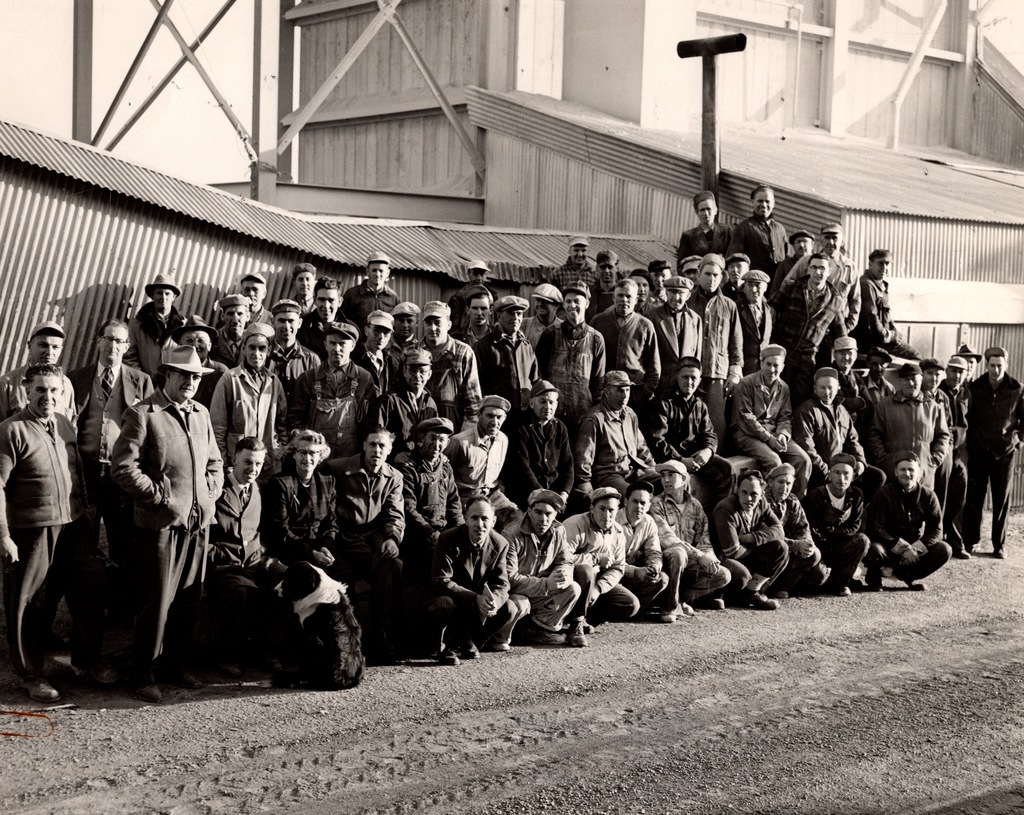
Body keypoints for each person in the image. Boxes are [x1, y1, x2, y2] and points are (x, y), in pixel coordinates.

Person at [111, 346, 224, 704]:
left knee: (189, 600)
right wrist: (160, 498)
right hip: (159, 527)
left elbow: (216, 462)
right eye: (184, 375)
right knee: (156, 602)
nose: (191, 382)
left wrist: (209, 493)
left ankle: (174, 664)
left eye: (196, 376)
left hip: (197, 524)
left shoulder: (201, 413)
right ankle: (142, 672)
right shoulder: (144, 413)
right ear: (167, 375)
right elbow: (123, 469)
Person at [0, 363, 113, 703]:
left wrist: (87, 513)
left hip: (73, 522)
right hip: (32, 528)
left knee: (92, 586)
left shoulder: (63, 423)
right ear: (26, 390)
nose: (48, 397)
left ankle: (87, 660)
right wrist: (4, 535)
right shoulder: (10, 431)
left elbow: (76, 470)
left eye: (54, 390)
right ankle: (31, 674)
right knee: (28, 601)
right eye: (40, 390)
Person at [68, 319, 154, 620]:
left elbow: (147, 430)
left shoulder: (141, 380)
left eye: (120, 341)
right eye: (108, 339)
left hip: (120, 473)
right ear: (98, 341)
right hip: (86, 471)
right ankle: (85, 608)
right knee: (83, 540)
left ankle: (118, 607)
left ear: (127, 346)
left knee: (122, 539)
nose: (113, 346)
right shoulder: (76, 378)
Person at [325, 428, 406, 662]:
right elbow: (327, 509)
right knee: (380, 567)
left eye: (382, 446)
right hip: (343, 534)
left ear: (389, 450)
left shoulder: (393, 476)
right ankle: (367, 636)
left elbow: (394, 512)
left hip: (373, 534)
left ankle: (384, 633)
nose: (377, 450)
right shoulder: (339, 468)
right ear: (364, 445)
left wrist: (393, 537)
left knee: (393, 563)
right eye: (373, 445)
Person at [205, 437, 283, 678]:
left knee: (288, 579)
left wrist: (265, 557)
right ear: (234, 460)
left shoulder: (256, 489)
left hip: (254, 561)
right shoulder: (216, 490)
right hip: (223, 566)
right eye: (247, 462)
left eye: (258, 464)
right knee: (245, 592)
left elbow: (256, 532)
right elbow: (201, 536)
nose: (253, 469)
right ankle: (228, 653)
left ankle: (266, 647)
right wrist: (219, 554)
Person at [427, 498, 523, 663]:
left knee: (509, 608)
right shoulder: (448, 538)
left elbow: (502, 583)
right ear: (465, 518)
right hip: (453, 598)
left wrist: (495, 601)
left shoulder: (500, 543)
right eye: (474, 518)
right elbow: (441, 580)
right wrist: (475, 598)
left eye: (485, 519)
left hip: (477, 606)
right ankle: (445, 645)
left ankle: (468, 641)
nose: (480, 524)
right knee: (444, 604)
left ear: (493, 521)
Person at [394, 417, 462, 629]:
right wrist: (429, 532)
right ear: (421, 439)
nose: (437, 444)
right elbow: (408, 508)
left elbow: (453, 502)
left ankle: (461, 628)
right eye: (432, 438)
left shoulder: (445, 467)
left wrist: (460, 530)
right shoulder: (408, 466)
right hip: (417, 535)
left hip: (441, 533)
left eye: (442, 440)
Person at [646, 357, 734, 514]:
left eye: (693, 378)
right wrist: (681, 461)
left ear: (699, 380)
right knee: (680, 480)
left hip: (695, 458)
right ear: (677, 377)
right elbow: (657, 440)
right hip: (671, 459)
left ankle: (719, 516)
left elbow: (709, 434)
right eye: (685, 377)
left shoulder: (699, 404)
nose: (689, 382)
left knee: (727, 469)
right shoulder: (664, 403)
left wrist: (707, 451)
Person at [963, 346, 1024, 559]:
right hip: (979, 452)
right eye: (992, 365)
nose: (996, 370)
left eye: (1000, 365)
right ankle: (972, 541)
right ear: (986, 365)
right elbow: (968, 418)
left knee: (1002, 500)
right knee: (975, 498)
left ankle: (999, 545)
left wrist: (1017, 441)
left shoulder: (1017, 389)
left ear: (1005, 365)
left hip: (1004, 454)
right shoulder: (975, 388)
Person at [561, 487, 640, 647]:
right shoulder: (574, 525)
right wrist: (595, 558)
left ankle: (586, 619)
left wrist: (598, 588)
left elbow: (618, 567)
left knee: (631, 604)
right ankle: (575, 625)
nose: (607, 515)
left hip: (595, 582)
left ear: (617, 510)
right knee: (585, 570)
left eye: (611, 510)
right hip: (569, 581)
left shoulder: (618, 532)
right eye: (602, 509)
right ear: (592, 508)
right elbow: (561, 559)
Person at [792, 366, 885, 501]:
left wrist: (859, 462)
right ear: (815, 388)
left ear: (837, 388)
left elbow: (853, 440)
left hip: (844, 467)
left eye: (830, 388)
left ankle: (853, 511)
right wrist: (827, 472)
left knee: (877, 477)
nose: (827, 392)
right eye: (822, 388)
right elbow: (807, 449)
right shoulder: (807, 411)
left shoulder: (842, 410)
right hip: (822, 471)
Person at [731, 345, 812, 498]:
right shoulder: (746, 384)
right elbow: (745, 417)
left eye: (776, 365)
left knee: (803, 460)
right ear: (761, 363)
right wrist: (768, 438)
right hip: (747, 434)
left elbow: (785, 416)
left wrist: (782, 434)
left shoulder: (783, 387)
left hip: (773, 433)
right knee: (774, 462)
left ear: (782, 367)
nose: (772, 369)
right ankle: (767, 506)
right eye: (768, 364)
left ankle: (792, 505)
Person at [502, 490, 581, 647]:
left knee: (573, 588)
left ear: (555, 516)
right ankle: (504, 636)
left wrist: (564, 573)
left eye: (549, 514)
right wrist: (546, 584)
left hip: (539, 590)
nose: (543, 519)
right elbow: (509, 578)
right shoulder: (511, 534)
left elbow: (565, 560)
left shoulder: (559, 530)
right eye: (538, 512)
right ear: (529, 512)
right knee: (520, 603)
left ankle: (534, 631)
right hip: (515, 592)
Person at [650, 461, 732, 611]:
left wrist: (709, 558)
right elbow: (667, 540)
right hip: (666, 560)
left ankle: (679, 599)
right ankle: (669, 608)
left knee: (723, 575)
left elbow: (704, 538)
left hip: (690, 560)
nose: (666, 480)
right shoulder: (656, 504)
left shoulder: (695, 505)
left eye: (671, 475)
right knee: (678, 553)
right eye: (663, 476)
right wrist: (699, 555)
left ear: (684, 478)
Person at [769, 252, 848, 407]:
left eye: (822, 268)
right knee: (775, 396)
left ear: (829, 271)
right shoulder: (792, 287)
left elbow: (840, 333)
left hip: (808, 356)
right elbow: (771, 308)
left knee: (801, 399)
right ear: (808, 269)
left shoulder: (835, 299)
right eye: (814, 267)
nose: (818, 272)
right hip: (783, 351)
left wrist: (845, 355)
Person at [866, 451, 952, 590]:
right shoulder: (883, 493)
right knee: (874, 549)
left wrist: (916, 549)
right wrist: (902, 548)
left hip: (914, 551)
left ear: (918, 472)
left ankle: (908, 575)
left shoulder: (928, 496)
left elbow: (936, 530)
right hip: (888, 547)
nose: (907, 473)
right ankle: (874, 578)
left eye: (911, 469)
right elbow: (875, 528)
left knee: (944, 549)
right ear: (895, 472)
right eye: (903, 469)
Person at [210, 323, 287, 477]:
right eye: (252, 347)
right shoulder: (230, 379)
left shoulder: (274, 382)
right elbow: (217, 427)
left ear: (269, 351)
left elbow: (282, 423)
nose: (256, 353)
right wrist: (225, 464)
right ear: (244, 349)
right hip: (237, 465)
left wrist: (279, 452)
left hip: (268, 464)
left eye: (262, 348)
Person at [288, 321, 373, 460]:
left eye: (342, 344)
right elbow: (295, 418)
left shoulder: (364, 379)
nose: (336, 348)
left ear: (352, 346)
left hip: (351, 457)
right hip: (316, 459)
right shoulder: (308, 378)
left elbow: (370, 422)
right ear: (325, 345)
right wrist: (302, 439)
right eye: (332, 343)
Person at [710, 471, 788, 610]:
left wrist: (751, 537)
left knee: (781, 548)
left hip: (744, 551)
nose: (749, 498)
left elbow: (779, 529)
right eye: (744, 492)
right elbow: (733, 552)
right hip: (720, 557)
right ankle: (725, 595)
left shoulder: (761, 503)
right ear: (737, 491)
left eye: (754, 494)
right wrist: (760, 544)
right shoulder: (726, 509)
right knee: (741, 573)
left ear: (762, 494)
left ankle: (751, 593)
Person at [261, 429, 338, 569]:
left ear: (320, 456)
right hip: (290, 550)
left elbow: (331, 523)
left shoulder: (328, 481)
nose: (307, 458)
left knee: (344, 576)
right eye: (302, 452)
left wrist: (326, 546)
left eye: (313, 453)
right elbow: (280, 530)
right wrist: (311, 553)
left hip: (319, 548)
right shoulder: (280, 483)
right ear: (294, 454)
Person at [866, 362, 949, 491]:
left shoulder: (934, 408)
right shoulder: (885, 405)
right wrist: (885, 461)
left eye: (914, 379)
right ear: (900, 381)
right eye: (906, 379)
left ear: (921, 380)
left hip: (924, 474)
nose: (910, 383)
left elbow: (943, 436)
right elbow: (874, 434)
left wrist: (933, 461)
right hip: (893, 473)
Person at [686, 254, 743, 441]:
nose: (711, 279)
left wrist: (734, 372)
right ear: (699, 274)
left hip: (717, 372)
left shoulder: (729, 306)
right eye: (707, 274)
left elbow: (736, 342)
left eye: (716, 275)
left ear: (721, 277)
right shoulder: (688, 302)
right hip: (690, 370)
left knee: (716, 422)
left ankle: (715, 461)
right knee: (689, 419)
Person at [574, 371, 657, 499]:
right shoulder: (594, 420)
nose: (625, 395)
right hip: (608, 476)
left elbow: (641, 447)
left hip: (633, 472)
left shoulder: (630, 414)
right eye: (620, 390)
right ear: (606, 392)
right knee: (634, 496)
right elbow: (583, 459)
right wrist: (584, 482)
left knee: (667, 482)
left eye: (627, 390)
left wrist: (652, 467)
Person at [445, 395, 523, 531]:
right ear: (479, 415)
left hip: (491, 494)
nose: (494, 422)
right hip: (465, 497)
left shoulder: (503, 440)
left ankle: (505, 550)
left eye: (499, 417)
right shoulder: (460, 442)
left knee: (519, 521)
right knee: (474, 529)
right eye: (489, 416)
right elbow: (442, 475)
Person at [535, 282, 606, 428]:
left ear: (586, 304)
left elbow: (598, 382)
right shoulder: (550, 334)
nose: (572, 305)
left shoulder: (596, 339)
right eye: (568, 301)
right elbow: (538, 374)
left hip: (583, 412)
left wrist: (593, 413)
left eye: (577, 301)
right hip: (553, 411)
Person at [802, 453, 871, 596]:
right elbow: (814, 529)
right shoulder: (817, 495)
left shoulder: (856, 495)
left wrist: (832, 531)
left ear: (853, 476)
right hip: (820, 547)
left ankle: (841, 583)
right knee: (817, 578)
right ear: (829, 474)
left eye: (846, 474)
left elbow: (855, 527)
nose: (841, 478)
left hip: (840, 545)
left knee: (862, 540)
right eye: (836, 473)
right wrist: (836, 533)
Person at [776, 223, 860, 333]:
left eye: (835, 238)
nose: (830, 242)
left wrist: (848, 326)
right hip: (807, 328)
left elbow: (855, 300)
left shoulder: (850, 267)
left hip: (835, 328)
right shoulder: (806, 261)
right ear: (821, 240)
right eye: (827, 238)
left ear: (842, 241)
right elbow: (786, 286)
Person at [590, 278, 660, 408]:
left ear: (636, 299)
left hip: (635, 393)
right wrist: (597, 392)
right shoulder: (598, 321)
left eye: (628, 296)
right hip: (606, 393)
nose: (624, 300)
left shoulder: (645, 325)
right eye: (620, 295)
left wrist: (645, 393)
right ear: (613, 298)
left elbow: (654, 366)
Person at [617, 481, 681, 622]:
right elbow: (610, 562)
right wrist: (636, 571)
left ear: (649, 506)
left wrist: (654, 566)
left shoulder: (649, 521)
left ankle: (635, 611)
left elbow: (654, 551)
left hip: (631, 574)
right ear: (626, 502)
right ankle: (620, 610)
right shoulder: (614, 520)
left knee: (662, 578)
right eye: (634, 501)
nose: (639, 506)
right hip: (612, 574)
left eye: (643, 503)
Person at [761, 464, 827, 600]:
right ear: (770, 482)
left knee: (815, 559)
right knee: (780, 548)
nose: (784, 487)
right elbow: (766, 534)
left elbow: (803, 527)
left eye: (788, 483)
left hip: (787, 548)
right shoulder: (762, 501)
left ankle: (781, 586)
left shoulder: (791, 500)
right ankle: (762, 588)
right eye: (780, 482)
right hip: (766, 548)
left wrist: (805, 543)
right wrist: (794, 544)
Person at [505, 380, 573, 507]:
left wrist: (564, 493)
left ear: (556, 404)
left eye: (551, 402)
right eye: (542, 402)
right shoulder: (521, 427)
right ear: (531, 403)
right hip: (528, 491)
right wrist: (544, 496)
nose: (547, 407)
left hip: (555, 491)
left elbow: (567, 464)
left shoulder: (560, 427)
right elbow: (523, 468)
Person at [363, 348, 439, 461]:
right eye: (412, 370)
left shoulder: (430, 404)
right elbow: (373, 437)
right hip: (393, 466)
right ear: (404, 371)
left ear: (429, 374)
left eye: (422, 371)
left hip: (419, 465)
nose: (417, 376)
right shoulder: (389, 400)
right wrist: (393, 456)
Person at [421, 301, 482, 432]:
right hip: (419, 431)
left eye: (438, 323)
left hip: (454, 430)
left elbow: (473, 405)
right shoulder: (413, 352)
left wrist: (464, 437)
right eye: (428, 323)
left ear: (448, 325)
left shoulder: (463, 352)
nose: (432, 328)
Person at [474, 295, 540, 416]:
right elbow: (478, 385)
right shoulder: (484, 346)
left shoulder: (526, 345)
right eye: (511, 313)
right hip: (498, 418)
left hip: (525, 416)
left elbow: (535, 380)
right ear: (499, 316)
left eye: (519, 314)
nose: (516, 318)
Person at [0, 321, 77, 421]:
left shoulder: (66, 384)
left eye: (55, 347)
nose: (49, 352)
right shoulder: (7, 384)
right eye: (43, 345)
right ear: (30, 346)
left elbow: (70, 427)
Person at [852, 249, 921, 360]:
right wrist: (891, 336)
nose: (884, 268)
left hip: (883, 338)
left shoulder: (881, 285)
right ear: (870, 264)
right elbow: (871, 317)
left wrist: (895, 330)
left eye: (887, 264)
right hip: (873, 341)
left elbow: (887, 315)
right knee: (916, 357)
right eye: (880, 263)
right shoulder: (866, 284)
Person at [647, 275, 702, 398]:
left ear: (688, 296)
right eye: (672, 292)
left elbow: (697, 356)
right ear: (666, 293)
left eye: (681, 293)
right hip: (660, 386)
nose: (676, 298)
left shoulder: (695, 319)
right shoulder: (652, 316)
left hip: (685, 387)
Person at [938, 355, 971, 558]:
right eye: (953, 371)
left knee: (960, 494)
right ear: (947, 371)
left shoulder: (967, 393)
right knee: (941, 494)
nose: (957, 375)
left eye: (961, 372)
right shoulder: (939, 391)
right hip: (944, 450)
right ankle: (939, 542)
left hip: (962, 451)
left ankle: (955, 540)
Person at [124, 272, 186, 376]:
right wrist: (143, 380)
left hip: (172, 385)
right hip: (144, 385)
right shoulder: (137, 324)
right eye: (159, 293)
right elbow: (128, 357)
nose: (163, 297)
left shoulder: (183, 324)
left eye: (167, 293)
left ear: (174, 297)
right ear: (152, 295)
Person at [726, 184, 789, 280]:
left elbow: (787, 258)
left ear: (773, 203)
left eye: (767, 201)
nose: (763, 205)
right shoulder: (743, 228)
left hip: (777, 284)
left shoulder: (780, 229)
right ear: (753, 202)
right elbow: (733, 259)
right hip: (755, 283)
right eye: (760, 201)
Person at [267, 299, 319, 402]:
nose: (286, 326)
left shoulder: (311, 359)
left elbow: (316, 397)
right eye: (281, 320)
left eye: (291, 321)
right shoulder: (263, 355)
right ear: (273, 322)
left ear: (299, 323)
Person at [171, 315, 226, 407]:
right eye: (190, 340)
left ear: (209, 346)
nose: (195, 345)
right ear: (180, 344)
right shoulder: (170, 370)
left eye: (201, 340)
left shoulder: (221, 373)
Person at [341, 252, 400, 331]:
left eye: (381, 271)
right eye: (374, 270)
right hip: (358, 342)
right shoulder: (352, 294)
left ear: (387, 273)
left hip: (383, 342)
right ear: (367, 271)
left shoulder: (393, 297)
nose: (377, 274)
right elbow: (342, 321)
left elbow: (398, 325)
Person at [298, 277, 348, 362]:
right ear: (315, 300)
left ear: (340, 302)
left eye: (331, 300)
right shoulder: (302, 326)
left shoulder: (350, 329)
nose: (326, 305)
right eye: (321, 299)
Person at [677, 190, 732, 262]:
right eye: (702, 210)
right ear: (697, 212)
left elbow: (733, 258)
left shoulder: (727, 231)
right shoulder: (688, 236)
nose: (706, 214)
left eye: (709, 209)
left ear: (715, 210)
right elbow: (681, 265)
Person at [737, 270, 774, 375]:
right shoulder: (735, 308)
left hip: (763, 369)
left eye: (758, 285)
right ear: (744, 287)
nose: (753, 290)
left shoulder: (771, 312)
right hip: (743, 367)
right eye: (750, 285)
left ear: (765, 288)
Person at [353, 310, 398, 397]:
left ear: (391, 336)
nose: (381, 337)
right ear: (366, 331)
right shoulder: (354, 357)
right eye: (376, 330)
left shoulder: (391, 361)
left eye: (386, 333)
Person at [448, 261, 496, 334]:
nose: (479, 278)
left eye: (482, 274)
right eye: (475, 274)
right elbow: (454, 326)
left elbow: (496, 321)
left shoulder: (492, 296)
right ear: (468, 273)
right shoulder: (458, 298)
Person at [769, 229, 815, 297]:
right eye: (798, 242)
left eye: (805, 241)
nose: (801, 245)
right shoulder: (784, 265)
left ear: (812, 245)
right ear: (793, 246)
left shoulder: (819, 263)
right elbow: (775, 290)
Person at [209, 294, 250, 369]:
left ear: (247, 316)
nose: (235, 321)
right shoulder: (212, 341)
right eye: (230, 314)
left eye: (240, 314)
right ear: (222, 316)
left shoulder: (252, 341)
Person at [521, 284, 562, 350]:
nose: (540, 304)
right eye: (538, 300)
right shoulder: (523, 325)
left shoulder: (564, 328)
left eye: (545, 301)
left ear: (556, 306)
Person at [586, 250, 620, 321]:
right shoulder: (589, 293)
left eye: (610, 267)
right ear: (597, 268)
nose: (606, 271)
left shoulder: (623, 292)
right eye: (603, 267)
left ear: (617, 268)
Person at [389, 301, 422, 368]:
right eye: (401, 321)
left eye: (409, 321)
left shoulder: (421, 348)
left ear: (417, 323)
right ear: (394, 322)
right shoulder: (385, 346)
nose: (405, 325)